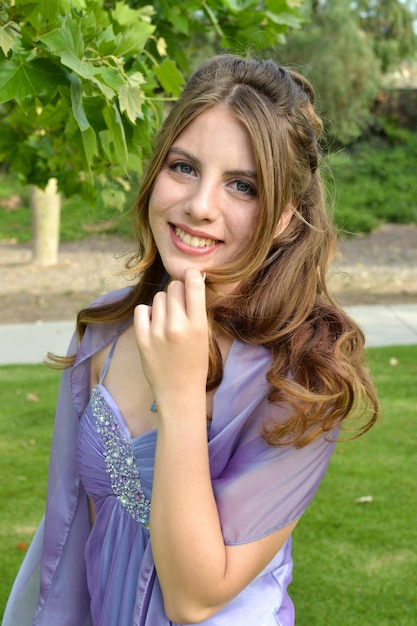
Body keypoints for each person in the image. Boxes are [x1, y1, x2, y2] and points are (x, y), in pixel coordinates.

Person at [3, 54, 379, 626]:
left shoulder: (303, 378)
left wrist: (179, 397)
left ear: (284, 216)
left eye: (242, 185)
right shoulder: (105, 328)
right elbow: (66, 537)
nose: (200, 206)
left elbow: (195, 597)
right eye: (183, 167)